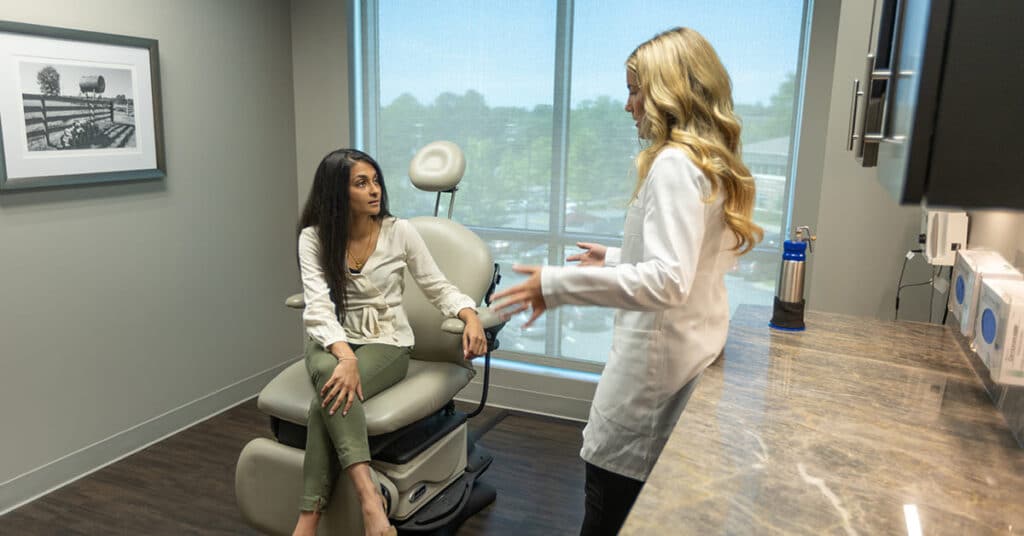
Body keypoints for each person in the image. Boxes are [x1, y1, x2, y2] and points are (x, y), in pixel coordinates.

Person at [492, 27, 763, 536]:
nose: (628, 106)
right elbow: (694, 263)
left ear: (669, 92)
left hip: (648, 387)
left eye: (635, 90)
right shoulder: (710, 165)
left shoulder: (674, 166)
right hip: (681, 364)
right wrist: (617, 257)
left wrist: (558, 284)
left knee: (606, 515)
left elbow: (667, 281)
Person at [291, 149, 488, 536]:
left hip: (387, 341)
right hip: (330, 342)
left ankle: (311, 517)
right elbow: (317, 307)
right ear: (336, 192)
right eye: (361, 183)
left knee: (327, 402)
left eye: (376, 180)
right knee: (334, 388)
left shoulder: (399, 231)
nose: (374, 190)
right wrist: (344, 356)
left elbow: (436, 285)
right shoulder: (313, 238)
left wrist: (469, 314)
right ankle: (370, 499)